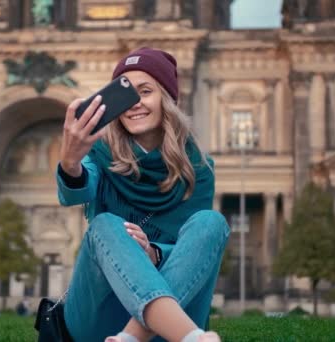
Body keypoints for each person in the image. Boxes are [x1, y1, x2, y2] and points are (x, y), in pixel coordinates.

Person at [57, 47, 230, 342]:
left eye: (145, 91)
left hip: (173, 309)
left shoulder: (199, 167)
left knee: (211, 223)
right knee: (106, 225)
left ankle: (130, 338)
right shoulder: (99, 153)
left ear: (167, 100)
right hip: (98, 317)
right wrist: (70, 162)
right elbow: (74, 194)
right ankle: (190, 338)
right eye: (125, 95)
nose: (134, 104)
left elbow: (194, 251)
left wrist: (155, 252)